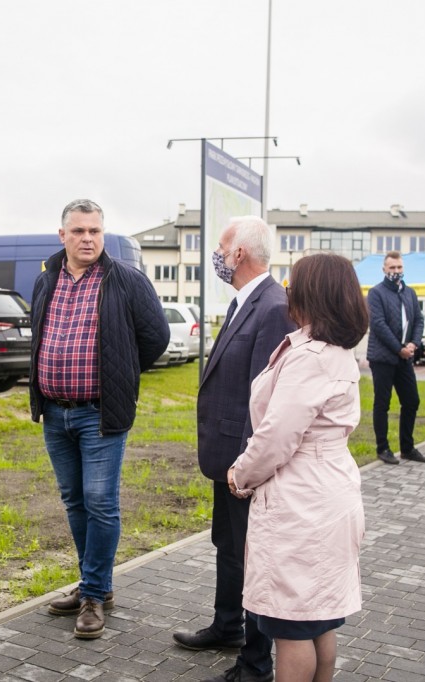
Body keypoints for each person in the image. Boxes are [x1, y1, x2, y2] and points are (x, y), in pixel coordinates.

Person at [30, 199, 169, 639]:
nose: (87, 238)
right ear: (63, 235)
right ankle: (95, 583)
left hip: (100, 413)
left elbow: (156, 336)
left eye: (94, 231)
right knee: (74, 500)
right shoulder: (46, 278)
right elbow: (39, 334)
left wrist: (121, 370)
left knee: (100, 502)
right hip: (55, 412)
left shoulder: (126, 279)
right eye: (78, 231)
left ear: (102, 234)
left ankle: (92, 594)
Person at [229, 253, 367, 682]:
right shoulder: (334, 351)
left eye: (293, 283)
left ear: (312, 293)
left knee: (291, 625)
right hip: (328, 491)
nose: (287, 290)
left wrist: (240, 473)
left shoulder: (311, 357)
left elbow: (277, 436)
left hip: (301, 499)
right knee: (318, 618)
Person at [170, 216, 291, 682]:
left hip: (244, 463)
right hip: (226, 458)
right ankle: (227, 627)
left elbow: (264, 400)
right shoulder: (246, 300)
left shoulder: (273, 306)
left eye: (221, 248)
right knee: (228, 546)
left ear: (239, 253)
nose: (217, 257)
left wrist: (246, 467)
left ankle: (255, 663)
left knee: (251, 557)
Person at [365, 251, 425, 465]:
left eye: (399, 267)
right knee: (382, 403)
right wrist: (399, 348)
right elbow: (378, 324)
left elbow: (418, 320)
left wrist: (414, 344)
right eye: (392, 267)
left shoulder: (409, 293)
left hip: (405, 357)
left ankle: (407, 448)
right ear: (384, 269)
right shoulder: (376, 293)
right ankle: (383, 448)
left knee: (412, 400)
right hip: (382, 357)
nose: (396, 271)